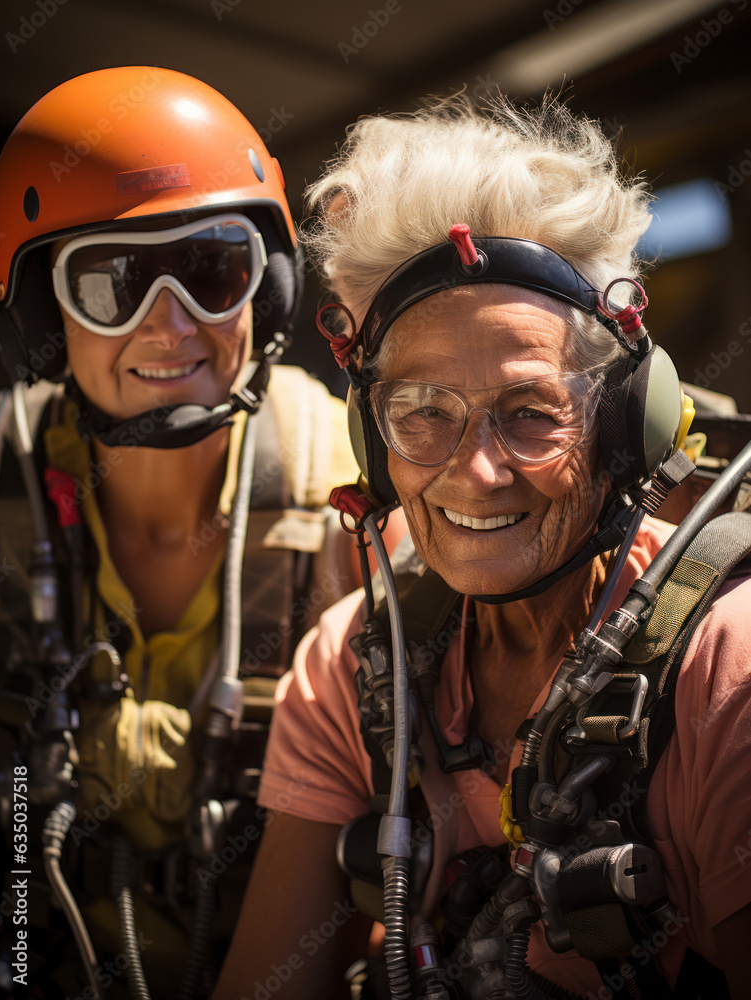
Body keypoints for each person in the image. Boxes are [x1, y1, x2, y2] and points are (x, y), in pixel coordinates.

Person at [215, 95, 751, 1000]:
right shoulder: (352, 663)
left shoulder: (725, 673)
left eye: (531, 413)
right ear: (369, 438)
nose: (476, 471)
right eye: (421, 413)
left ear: (624, 425)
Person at [0, 66, 364, 999]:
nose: (171, 327)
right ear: (45, 319)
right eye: (111, 282)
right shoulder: (8, 494)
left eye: (211, 269)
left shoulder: (358, 497)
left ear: (269, 288)